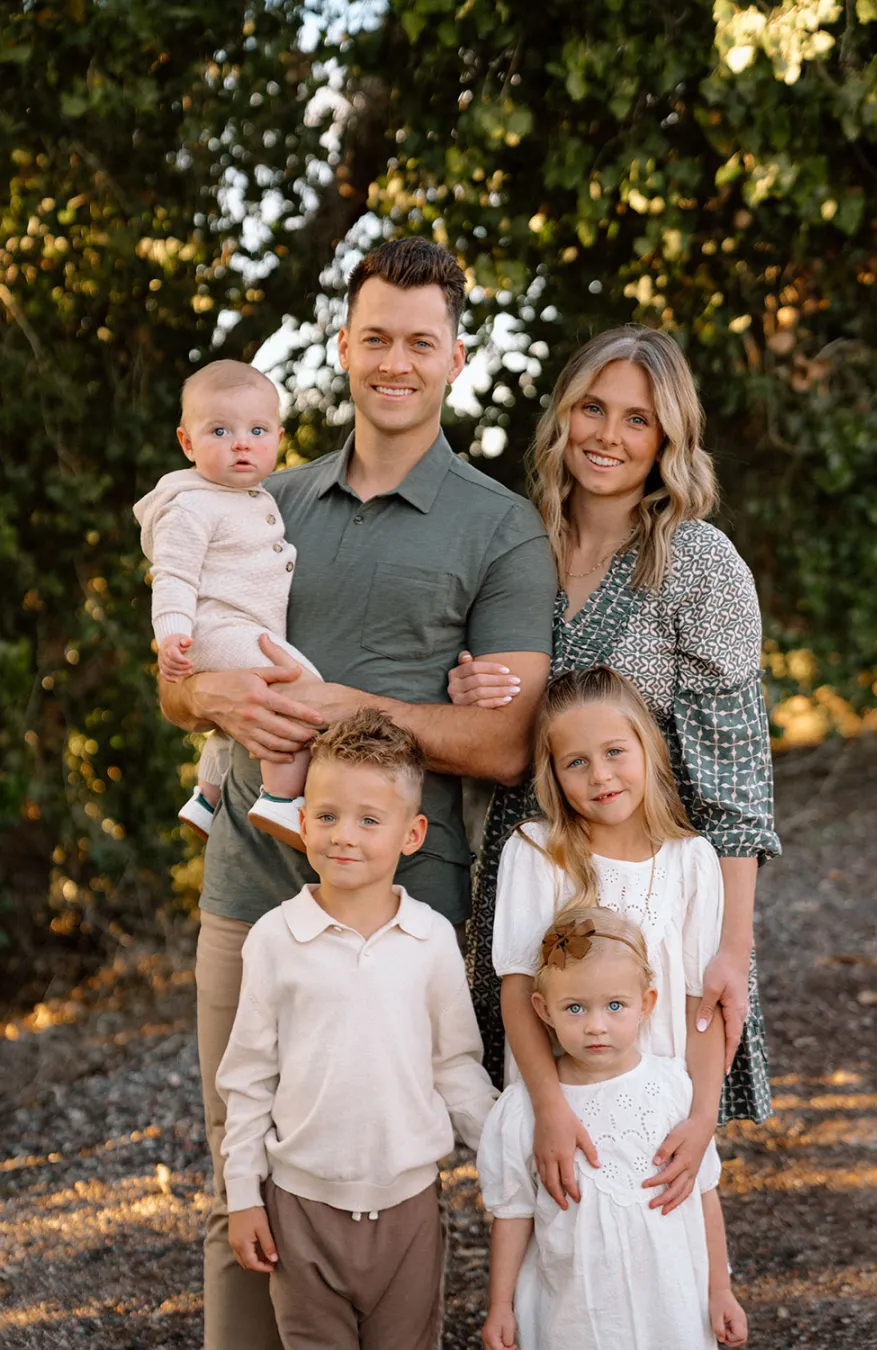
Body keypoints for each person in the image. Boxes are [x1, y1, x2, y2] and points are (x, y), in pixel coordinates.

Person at [157, 237, 557, 1350]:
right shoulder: (257, 495)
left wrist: (345, 712)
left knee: (387, 1181)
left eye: (419, 342)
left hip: (407, 916)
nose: (394, 361)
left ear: (455, 359)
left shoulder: (498, 525)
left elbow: (509, 738)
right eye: (374, 336)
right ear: (342, 345)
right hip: (248, 892)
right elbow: (176, 684)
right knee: (249, 1177)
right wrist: (218, 700)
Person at [451, 324, 780, 1189]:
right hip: (529, 877)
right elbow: (500, 723)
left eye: (638, 419)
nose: (608, 434)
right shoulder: (517, 547)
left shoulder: (699, 563)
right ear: (562, 417)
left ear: (668, 439)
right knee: (542, 1139)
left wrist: (731, 950)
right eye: (593, 408)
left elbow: (735, 774)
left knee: (650, 1139)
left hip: (650, 898)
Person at [216, 708, 497, 1350]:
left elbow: (455, 1066)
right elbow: (249, 1080)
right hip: (300, 1212)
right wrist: (243, 1197)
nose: (344, 835)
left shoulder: (429, 941)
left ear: (411, 832)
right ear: (303, 817)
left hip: (410, 1211)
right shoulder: (275, 939)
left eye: (370, 820)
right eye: (327, 815)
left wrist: (505, 1158)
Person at [491, 665, 727, 1216]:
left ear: (647, 746)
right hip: (564, 1110)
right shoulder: (536, 851)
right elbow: (518, 991)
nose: (600, 775)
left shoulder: (691, 862)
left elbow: (701, 1005)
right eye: (576, 762)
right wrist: (549, 1111)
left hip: (657, 1114)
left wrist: (702, 1120)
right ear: (553, 773)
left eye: (615, 751)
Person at [477, 907, 748, 1350]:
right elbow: (513, 1214)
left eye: (615, 1005)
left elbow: (703, 1194)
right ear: (544, 1010)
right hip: (574, 1313)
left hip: (669, 1306)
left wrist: (720, 1290)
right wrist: (500, 1304)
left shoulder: (673, 1088)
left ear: (647, 1004)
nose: (596, 1025)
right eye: (575, 1008)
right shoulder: (525, 1110)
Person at [134, 360, 322, 847]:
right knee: (301, 692)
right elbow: (173, 574)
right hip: (217, 630)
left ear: (278, 438)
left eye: (257, 430)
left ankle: (206, 798)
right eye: (220, 430)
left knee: (233, 721)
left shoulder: (252, 496)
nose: (241, 442)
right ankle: (281, 801)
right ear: (187, 442)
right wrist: (171, 635)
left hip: (240, 629)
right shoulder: (191, 505)